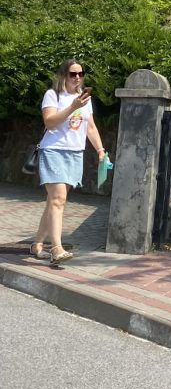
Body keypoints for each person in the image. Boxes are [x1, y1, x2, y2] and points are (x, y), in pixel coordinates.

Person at [30, 60, 106, 263]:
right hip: (54, 151)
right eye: (73, 74)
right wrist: (73, 107)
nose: (77, 77)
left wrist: (100, 150)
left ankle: (37, 244)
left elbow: (90, 127)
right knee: (58, 200)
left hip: (75, 153)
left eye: (81, 73)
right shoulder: (53, 95)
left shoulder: (84, 99)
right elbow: (50, 122)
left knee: (53, 202)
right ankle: (57, 249)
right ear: (64, 75)